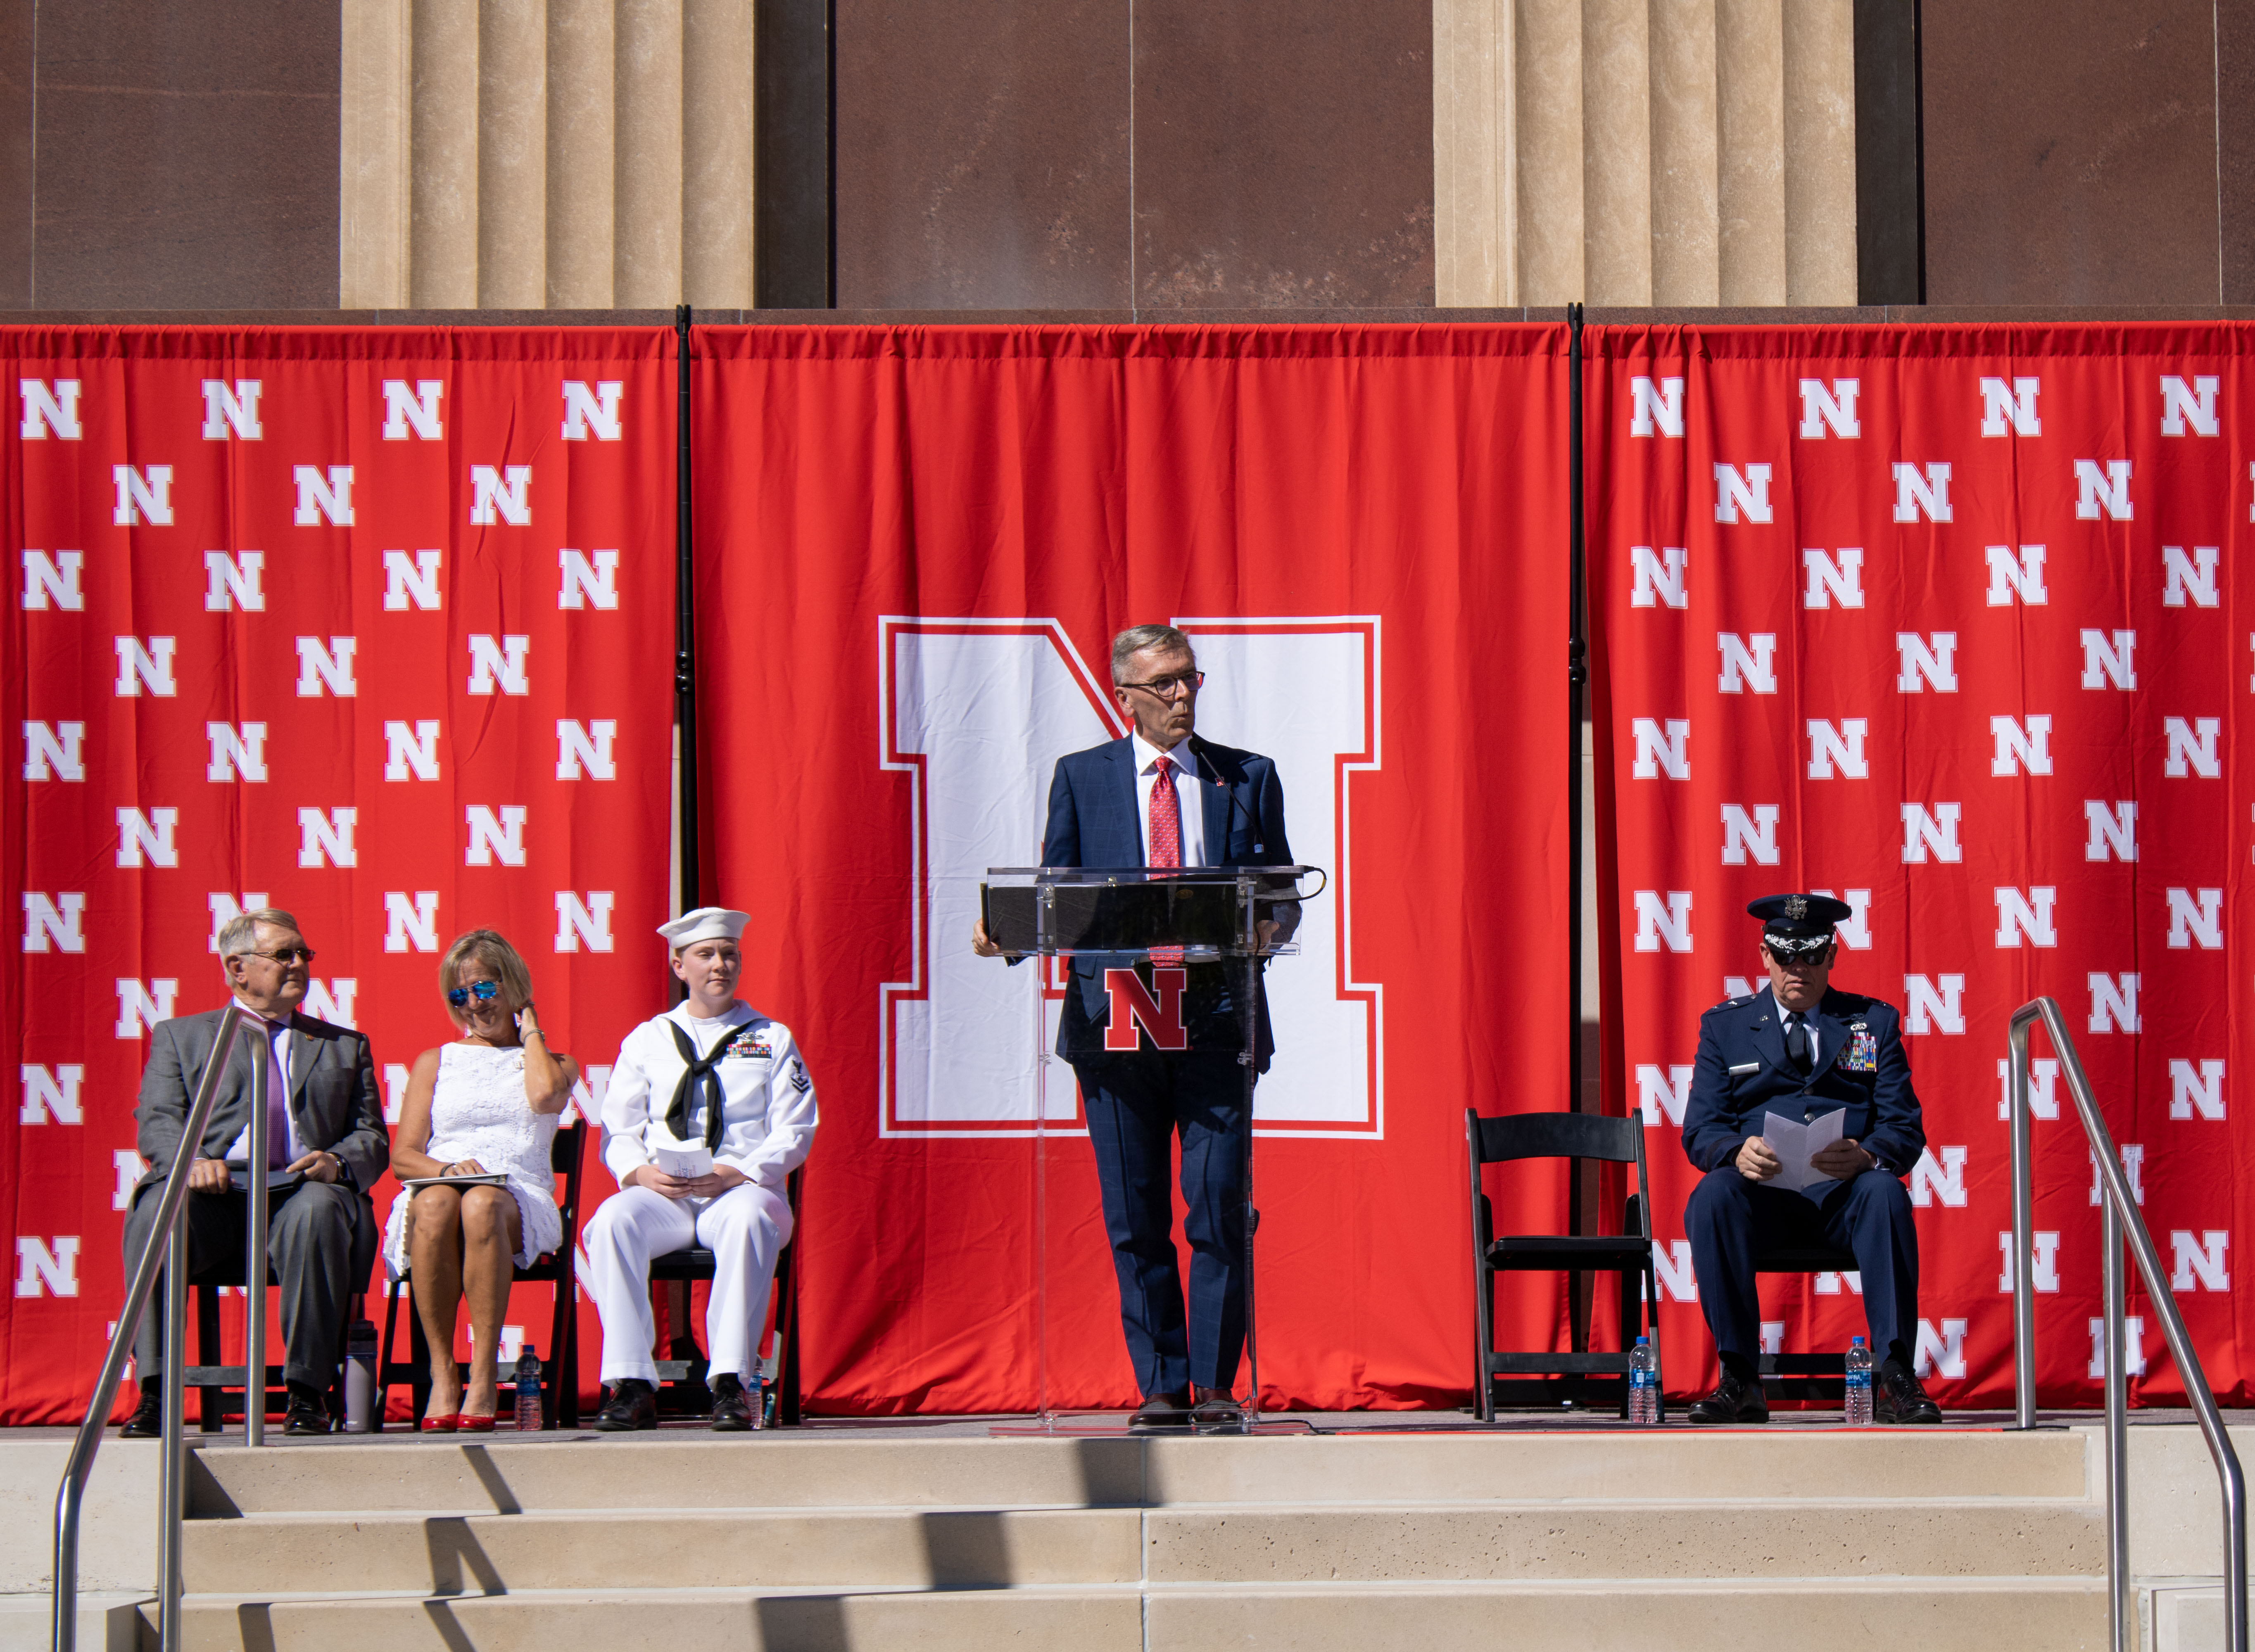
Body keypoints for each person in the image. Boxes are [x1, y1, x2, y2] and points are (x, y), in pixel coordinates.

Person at [972, 623, 1294, 1429]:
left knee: (1217, 1205)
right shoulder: (1081, 777)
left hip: (1215, 1013)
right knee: (1134, 1211)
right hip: (1112, 1017)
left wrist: (1271, 925)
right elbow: (1056, 891)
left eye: (1189, 678)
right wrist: (1006, 931)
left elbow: (1281, 890)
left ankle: (1217, 1386)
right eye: (1163, 683)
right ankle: (1160, 1382)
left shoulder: (1245, 776)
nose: (1181, 694)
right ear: (1124, 694)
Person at [118, 909, 387, 1437]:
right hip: (216, 1193)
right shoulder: (182, 1036)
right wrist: (191, 1163)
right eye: (283, 955)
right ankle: (154, 1392)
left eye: (303, 955)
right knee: (156, 1212)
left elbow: (371, 1136)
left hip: (299, 1190)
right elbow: (158, 1120)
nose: (298, 964)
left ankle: (307, 1393)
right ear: (238, 968)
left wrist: (337, 1161)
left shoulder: (342, 1045)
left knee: (319, 1210)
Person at [1680, 893, 1941, 1426]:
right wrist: (1734, 1151)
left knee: (1884, 1191)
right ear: (1763, 956)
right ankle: (1738, 1377)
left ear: (1831, 956)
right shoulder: (1724, 1026)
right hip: (1763, 1199)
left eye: (1810, 957)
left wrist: (1868, 1154)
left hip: (1842, 1198)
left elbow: (1902, 1126)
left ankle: (1895, 1374)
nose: (1796, 969)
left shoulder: (1871, 1022)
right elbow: (1701, 1128)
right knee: (1713, 1194)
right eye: (1784, 957)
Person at [583, 907, 818, 1430]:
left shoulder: (770, 1037)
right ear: (678, 966)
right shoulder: (649, 1039)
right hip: (666, 1193)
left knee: (748, 1221)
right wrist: (640, 1174)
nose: (720, 965)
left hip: (738, 1191)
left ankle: (731, 1381)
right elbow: (617, 1130)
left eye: (729, 954)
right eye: (705, 955)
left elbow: (795, 1129)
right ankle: (631, 1383)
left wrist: (734, 1173)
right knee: (611, 1221)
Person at [384, 930, 577, 1431]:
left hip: (517, 1193)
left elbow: (543, 1100)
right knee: (437, 1204)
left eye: (486, 989)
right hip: (440, 1185)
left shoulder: (554, 1065)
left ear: (512, 986)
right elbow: (404, 1158)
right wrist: (447, 1170)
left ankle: (486, 1373)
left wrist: (529, 1026)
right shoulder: (435, 1061)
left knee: (482, 1203)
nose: (473, 1004)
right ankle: (444, 1373)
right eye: (460, 995)